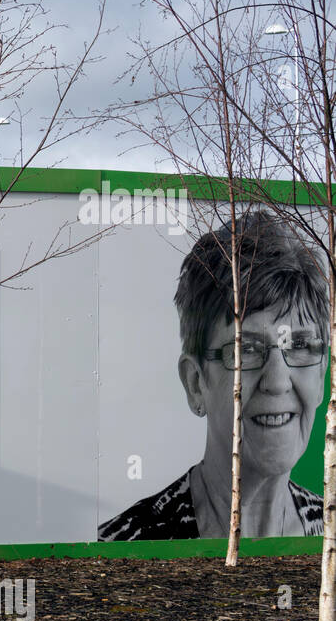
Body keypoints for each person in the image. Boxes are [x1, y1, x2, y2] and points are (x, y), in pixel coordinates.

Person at [99, 211, 327, 541]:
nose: (277, 381)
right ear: (195, 384)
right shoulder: (126, 546)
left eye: (301, 344)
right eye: (246, 349)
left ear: (321, 373)